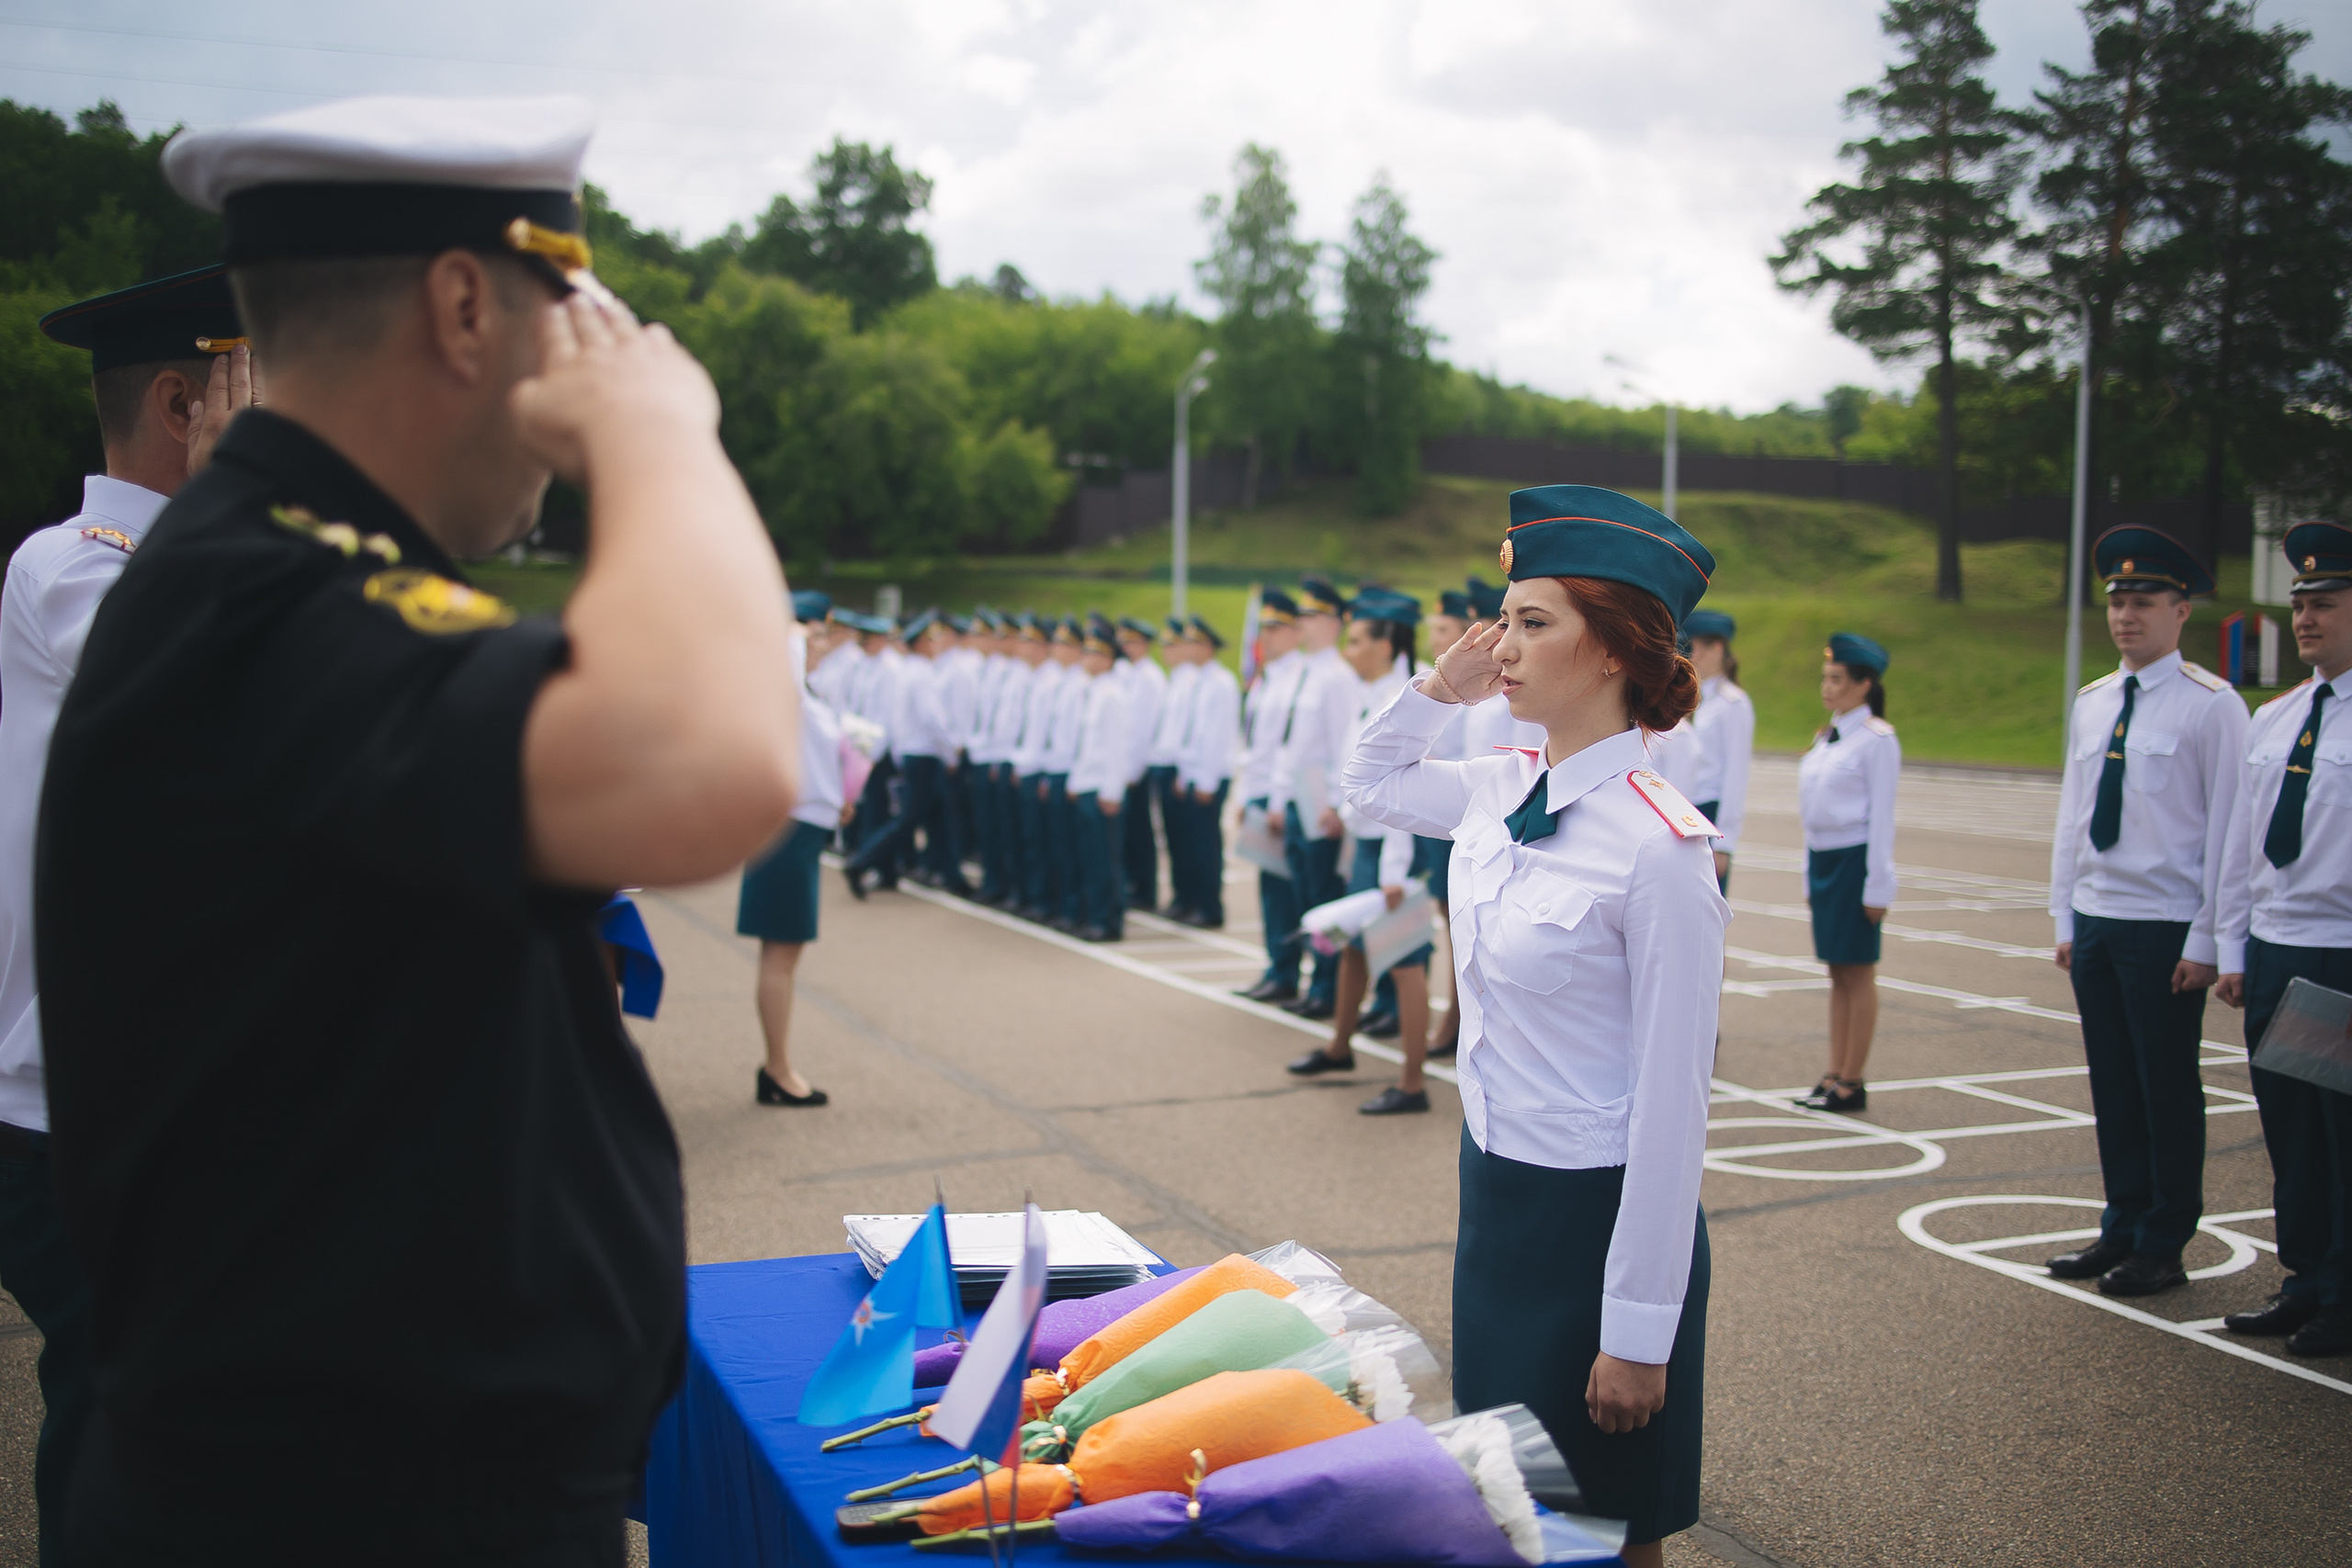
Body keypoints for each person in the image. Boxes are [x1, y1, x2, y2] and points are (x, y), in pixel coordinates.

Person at [36, 96, 799, 1564]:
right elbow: (714, 762)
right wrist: (657, 432)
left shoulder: (272, 569)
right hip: (349, 1512)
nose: (591, 356)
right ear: (465, 303)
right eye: (567, 311)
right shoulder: (276, 599)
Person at [1342, 484, 1724, 1566]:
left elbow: (1672, 1108)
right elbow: (1367, 779)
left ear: (1611, 651)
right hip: (1497, 1195)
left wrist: (1638, 1330)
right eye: (1503, 620)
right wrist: (1437, 686)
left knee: (1614, 1528)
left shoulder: (1660, 850)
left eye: (1531, 623)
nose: (1501, 646)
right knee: (1512, 1509)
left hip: (1596, 1222)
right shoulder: (1494, 785)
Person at [0, 265, 256, 1566]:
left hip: (164, 1097)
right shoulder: (70, 569)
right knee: (121, 1434)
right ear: (182, 401)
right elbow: (216, 691)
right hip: (77, 1116)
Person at [2042, 528, 2245, 1297]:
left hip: (2165, 925)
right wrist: (2065, 919)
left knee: (2166, 1084)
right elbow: (2072, 815)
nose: (2127, 615)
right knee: (2114, 1083)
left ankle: (2165, 1237)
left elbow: (2228, 828)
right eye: (2118, 601)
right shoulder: (2094, 702)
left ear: (2180, 610)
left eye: (2144, 601)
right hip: (2098, 919)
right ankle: (2122, 1222)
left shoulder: (2211, 707)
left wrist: (2210, 938)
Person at [2214, 519, 2352, 1359]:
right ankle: (2306, 1275)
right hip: (2276, 945)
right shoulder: (2279, 715)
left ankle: (2343, 1290)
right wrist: (2235, 947)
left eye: (2326, 603)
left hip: (2339, 947)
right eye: (2300, 603)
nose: (2305, 618)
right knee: (2291, 1126)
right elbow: (2241, 840)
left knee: (2341, 1131)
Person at [1290, 589, 1434, 1114]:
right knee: (1352, 944)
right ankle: (1339, 1046)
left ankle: (1413, 1084)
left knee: (1405, 962)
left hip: (1396, 850)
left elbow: (1405, 783)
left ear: (1384, 644)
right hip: (1368, 843)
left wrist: (1394, 870)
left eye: (1356, 641)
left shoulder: (1404, 696)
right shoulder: (1369, 690)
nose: (1348, 650)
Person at [738, 591, 842, 1109]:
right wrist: (794, 629)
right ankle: (778, 1068)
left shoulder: (809, 689)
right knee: (780, 955)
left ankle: (777, 1064)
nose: (824, 644)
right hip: (787, 826)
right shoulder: (785, 684)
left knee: (785, 954)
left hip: (806, 827)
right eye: (818, 633)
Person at [1796, 633, 1898, 1114]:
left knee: (1857, 971)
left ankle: (1853, 1081)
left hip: (1856, 863)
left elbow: (1882, 817)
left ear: (1864, 684)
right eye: (1825, 678)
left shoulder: (1878, 740)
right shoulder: (1826, 736)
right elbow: (1811, 813)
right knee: (1837, 971)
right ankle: (1833, 1072)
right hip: (1825, 861)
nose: (1828, 687)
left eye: (1837, 679)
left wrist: (1878, 885)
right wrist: (1805, 873)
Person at [1270, 577, 1353, 1019]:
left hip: (1321, 800)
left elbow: (1344, 744)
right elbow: (1290, 745)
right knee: (1303, 892)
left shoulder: (1337, 677)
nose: (1302, 625)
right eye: (1300, 617)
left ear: (1333, 622)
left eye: (1311, 617)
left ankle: (1327, 986)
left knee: (1324, 896)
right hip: (1299, 794)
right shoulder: (1302, 671)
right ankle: (1311, 982)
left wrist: (1339, 805)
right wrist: (1280, 796)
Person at [843, 611, 955, 898]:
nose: (937, 645)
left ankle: (951, 876)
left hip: (906, 750)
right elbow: (931, 719)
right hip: (922, 753)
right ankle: (862, 862)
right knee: (908, 819)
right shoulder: (919, 672)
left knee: (939, 817)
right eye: (932, 640)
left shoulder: (904, 669)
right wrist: (951, 750)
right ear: (921, 643)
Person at [1235, 591, 1307, 1001]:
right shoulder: (1266, 679)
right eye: (1265, 629)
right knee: (1270, 887)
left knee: (1290, 889)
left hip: (1285, 795)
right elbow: (1254, 747)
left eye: (1277, 629)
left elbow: (1288, 749)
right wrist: (1246, 797)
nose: (1269, 637)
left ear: (1295, 632)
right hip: (1261, 792)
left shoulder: (1298, 676)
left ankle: (1290, 972)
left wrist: (1276, 800)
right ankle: (1277, 967)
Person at [1669, 609, 1753, 892]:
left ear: (1717, 648)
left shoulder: (1733, 704)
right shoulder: (1691, 694)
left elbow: (1736, 775)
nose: (1688, 656)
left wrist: (1725, 843)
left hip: (1708, 813)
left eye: (1693, 648)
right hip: (1683, 810)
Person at [1171, 615, 1240, 929]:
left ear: (1208, 646)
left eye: (1193, 642)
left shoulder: (1220, 683)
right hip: (1193, 773)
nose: (1187, 648)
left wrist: (1205, 781)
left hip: (1210, 776)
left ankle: (1210, 906)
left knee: (1205, 845)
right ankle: (1191, 900)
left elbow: (1215, 737)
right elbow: (1190, 734)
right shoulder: (1195, 680)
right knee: (1187, 842)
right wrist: (1184, 775)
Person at [1069, 618, 1136, 942]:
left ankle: (1108, 921)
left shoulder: (1111, 694)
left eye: (1092, 652)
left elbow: (1115, 748)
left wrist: (1112, 790)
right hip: (1087, 784)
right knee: (1090, 858)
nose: (1085, 657)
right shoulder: (1094, 691)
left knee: (1104, 860)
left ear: (1108, 658)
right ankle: (1095, 915)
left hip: (1101, 790)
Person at [1147, 615, 1204, 919]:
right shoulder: (1174, 680)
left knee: (1187, 840)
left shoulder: (1190, 681)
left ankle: (1192, 898)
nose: (1166, 651)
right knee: (1173, 839)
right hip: (1164, 765)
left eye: (1173, 645)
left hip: (1176, 768)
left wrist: (1183, 772)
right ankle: (1183, 896)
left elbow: (1187, 734)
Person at [1116, 617, 1168, 910]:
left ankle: (1145, 888)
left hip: (1139, 766)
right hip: (1128, 766)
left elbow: (1143, 730)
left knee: (1140, 830)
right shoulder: (1130, 673)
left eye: (1132, 641)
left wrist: (1132, 771)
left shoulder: (1149, 677)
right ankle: (1135, 883)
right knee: (1131, 830)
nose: (1126, 647)